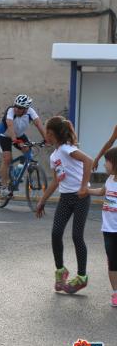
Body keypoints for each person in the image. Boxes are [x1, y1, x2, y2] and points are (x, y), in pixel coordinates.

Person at [36, 116, 92, 294]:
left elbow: (88, 161)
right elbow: (56, 181)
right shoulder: (54, 156)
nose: (46, 136)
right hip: (65, 198)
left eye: (48, 133)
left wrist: (84, 187)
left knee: (77, 236)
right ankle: (61, 272)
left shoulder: (68, 149)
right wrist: (42, 200)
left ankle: (81, 277)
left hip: (81, 197)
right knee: (56, 233)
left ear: (54, 134)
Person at [0, 94, 46, 197]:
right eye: (16, 106)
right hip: (4, 135)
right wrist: (14, 140)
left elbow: (39, 124)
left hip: (19, 135)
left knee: (28, 153)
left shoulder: (30, 112)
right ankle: (3, 187)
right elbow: (9, 125)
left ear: (26, 109)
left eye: (20, 108)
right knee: (7, 159)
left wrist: (47, 139)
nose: (17, 109)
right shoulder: (11, 111)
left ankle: (17, 172)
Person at [88, 147, 117, 306]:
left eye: (107, 161)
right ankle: (115, 293)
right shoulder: (109, 180)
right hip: (108, 229)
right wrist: (87, 191)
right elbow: (101, 192)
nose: (104, 165)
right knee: (113, 262)